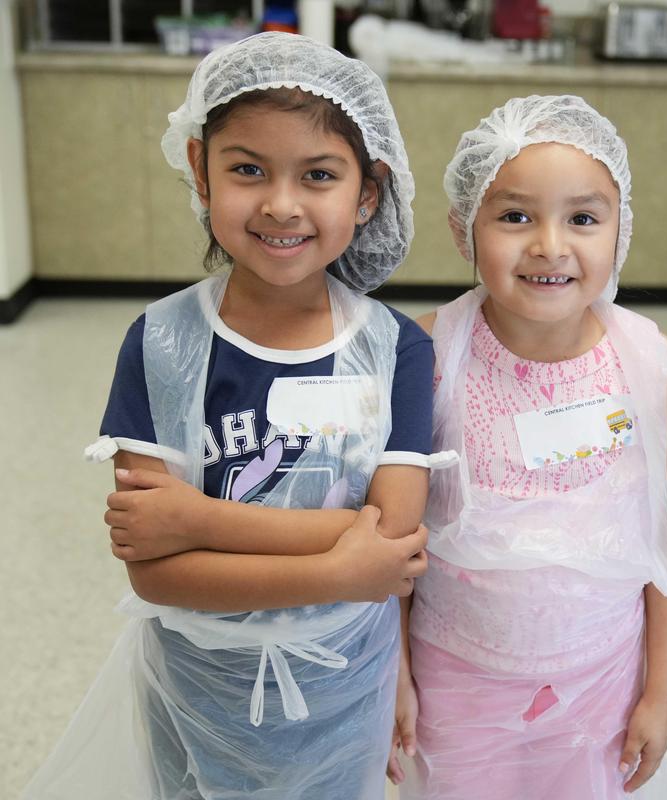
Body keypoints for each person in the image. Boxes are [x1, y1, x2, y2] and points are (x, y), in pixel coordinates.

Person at [22, 32, 439, 800]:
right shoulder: (161, 343)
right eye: (248, 169)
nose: (282, 204)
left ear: (368, 192)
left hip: (346, 687)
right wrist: (339, 566)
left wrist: (196, 518)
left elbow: (396, 537)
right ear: (201, 173)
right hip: (195, 694)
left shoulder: (398, 351)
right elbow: (155, 572)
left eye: (319, 174)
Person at [388, 95, 667, 799]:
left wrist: (662, 692)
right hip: (455, 681)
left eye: (583, 218)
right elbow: (393, 544)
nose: (551, 246)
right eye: (515, 216)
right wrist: (394, 676)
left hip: (606, 680)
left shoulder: (652, 366)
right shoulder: (427, 358)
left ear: (621, 231)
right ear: (465, 228)